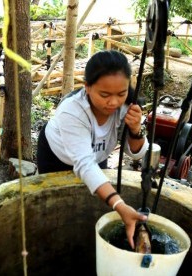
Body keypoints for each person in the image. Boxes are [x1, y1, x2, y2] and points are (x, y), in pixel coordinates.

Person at [36, 50, 149, 249]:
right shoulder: (72, 110)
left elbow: (136, 153)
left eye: (121, 94)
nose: (113, 102)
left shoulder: (127, 107)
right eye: (104, 94)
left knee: (94, 200)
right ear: (87, 87)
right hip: (56, 154)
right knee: (56, 205)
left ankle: (86, 239)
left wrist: (135, 130)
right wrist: (120, 205)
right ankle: (56, 241)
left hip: (96, 155)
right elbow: (84, 163)